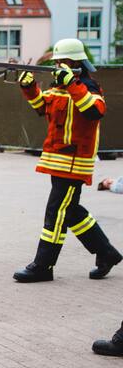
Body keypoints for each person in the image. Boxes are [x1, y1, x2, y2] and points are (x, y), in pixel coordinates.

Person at [13, 38, 122, 283]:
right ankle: (106, 253)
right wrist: (29, 87)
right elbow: (42, 107)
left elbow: (95, 111)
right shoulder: (58, 86)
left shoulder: (87, 86)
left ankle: (43, 265)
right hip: (57, 161)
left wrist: (72, 83)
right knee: (70, 212)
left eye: (62, 62)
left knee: (56, 212)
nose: (57, 65)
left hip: (74, 163)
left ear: (74, 62)